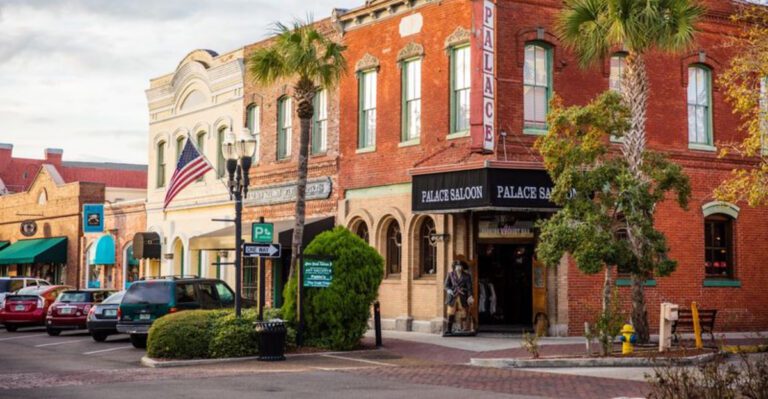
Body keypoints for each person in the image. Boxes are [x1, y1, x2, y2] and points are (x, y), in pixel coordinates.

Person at [444, 260, 473, 336]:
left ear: (462, 267)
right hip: (452, 296)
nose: (458, 267)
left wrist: (470, 296)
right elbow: (446, 285)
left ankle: (463, 329)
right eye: (457, 266)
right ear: (454, 267)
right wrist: (449, 290)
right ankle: (449, 330)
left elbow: (469, 288)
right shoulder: (450, 275)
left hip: (462, 296)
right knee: (451, 312)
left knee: (463, 313)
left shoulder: (467, 276)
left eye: (460, 266)